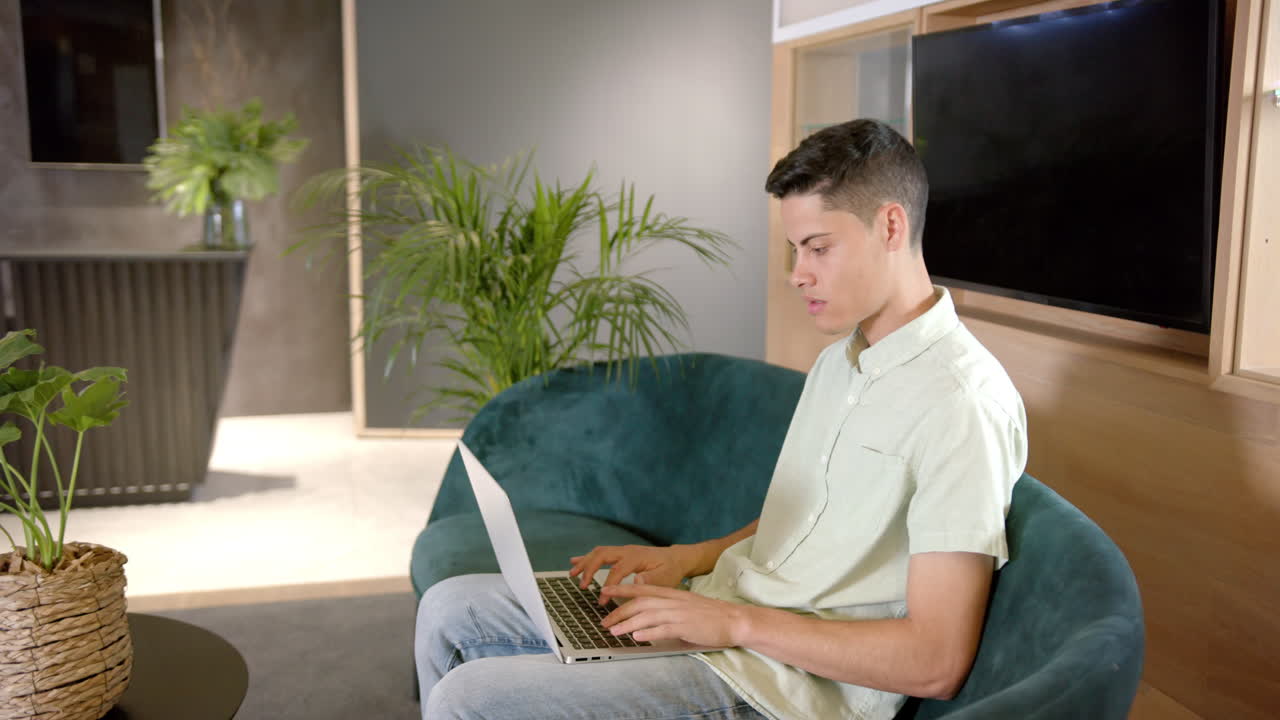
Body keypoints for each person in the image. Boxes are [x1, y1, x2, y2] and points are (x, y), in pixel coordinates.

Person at [414, 118, 1028, 720]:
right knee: (449, 611)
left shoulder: (963, 404)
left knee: (467, 701)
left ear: (891, 225)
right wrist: (690, 558)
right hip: (726, 620)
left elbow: (936, 660)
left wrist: (733, 623)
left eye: (819, 247)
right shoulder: (839, 363)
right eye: (795, 249)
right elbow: (812, 520)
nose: (798, 274)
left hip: (785, 689)